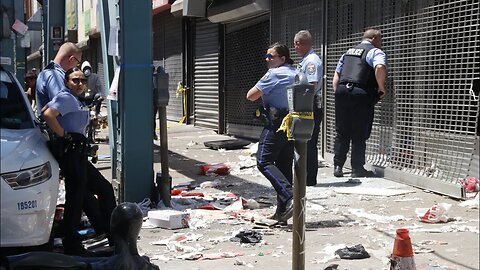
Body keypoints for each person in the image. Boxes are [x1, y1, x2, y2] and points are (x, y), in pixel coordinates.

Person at [42, 67, 117, 255]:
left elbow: (45, 108)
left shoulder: (73, 98)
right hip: (71, 153)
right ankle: (72, 242)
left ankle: (112, 235)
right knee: (76, 198)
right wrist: (65, 135)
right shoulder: (66, 97)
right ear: (67, 82)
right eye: (75, 80)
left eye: (83, 80)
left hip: (78, 153)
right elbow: (47, 114)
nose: (80, 84)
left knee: (100, 190)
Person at [246, 43, 296, 223]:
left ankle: (290, 196)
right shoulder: (297, 72)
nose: (267, 60)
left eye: (271, 57)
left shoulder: (274, 74)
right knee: (284, 165)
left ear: (282, 59)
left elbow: (251, 95)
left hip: (276, 123)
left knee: (263, 160)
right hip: (293, 123)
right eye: (266, 56)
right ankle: (282, 213)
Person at [332, 28, 388, 177]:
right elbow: (380, 67)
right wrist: (381, 87)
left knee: (341, 131)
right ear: (375, 39)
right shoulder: (375, 52)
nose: (380, 43)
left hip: (342, 91)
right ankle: (357, 169)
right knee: (359, 132)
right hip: (362, 92)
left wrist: (338, 92)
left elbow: (337, 74)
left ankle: (338, 166)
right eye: (380, 40)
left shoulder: (348, 52)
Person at [294, 30, 324, 186]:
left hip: (309, 105)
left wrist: (302, 106)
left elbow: (310, 86)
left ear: (299, 43)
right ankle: (304, 177)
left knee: (309, 143)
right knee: (303, 141)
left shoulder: (311, 61)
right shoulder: (306, 59)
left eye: (296, 45)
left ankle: (309, 179)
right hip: (305, 105)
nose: (295, 48)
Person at [36, 42, 82, 117]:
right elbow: (62, 104)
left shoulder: (54, 74)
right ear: (71, 59)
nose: (77, 66)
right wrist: (62, 130)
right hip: (58, 127)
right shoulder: (54, 76)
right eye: (78, 63)